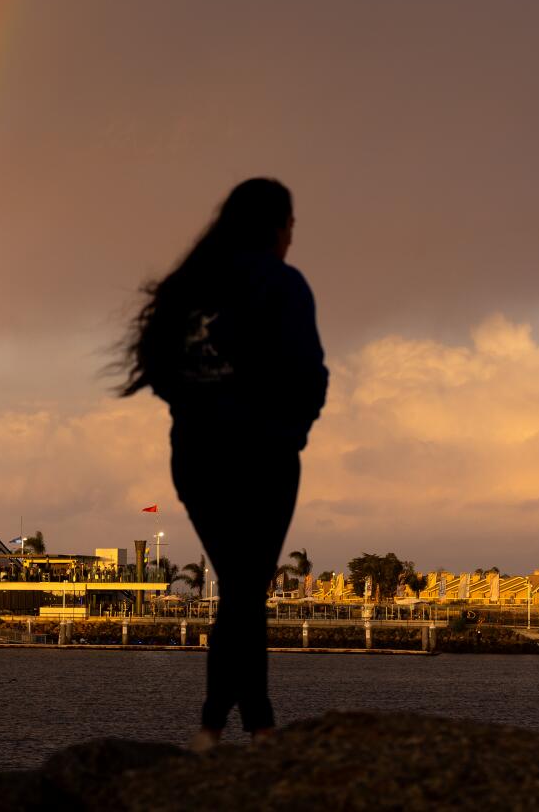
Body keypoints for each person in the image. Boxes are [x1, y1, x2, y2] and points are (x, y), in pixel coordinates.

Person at [121, 177, 328, 749]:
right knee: (244, 591)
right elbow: (310, 373)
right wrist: (292, 434)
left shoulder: (185, 288)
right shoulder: (281, 284)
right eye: (290, 226)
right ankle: (231, 725)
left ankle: (236, 724)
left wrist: (196, 407)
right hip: (263, 457)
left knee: (241, 589)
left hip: (196, 458)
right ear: (276, 226)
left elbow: (157, 370)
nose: (292, 237)